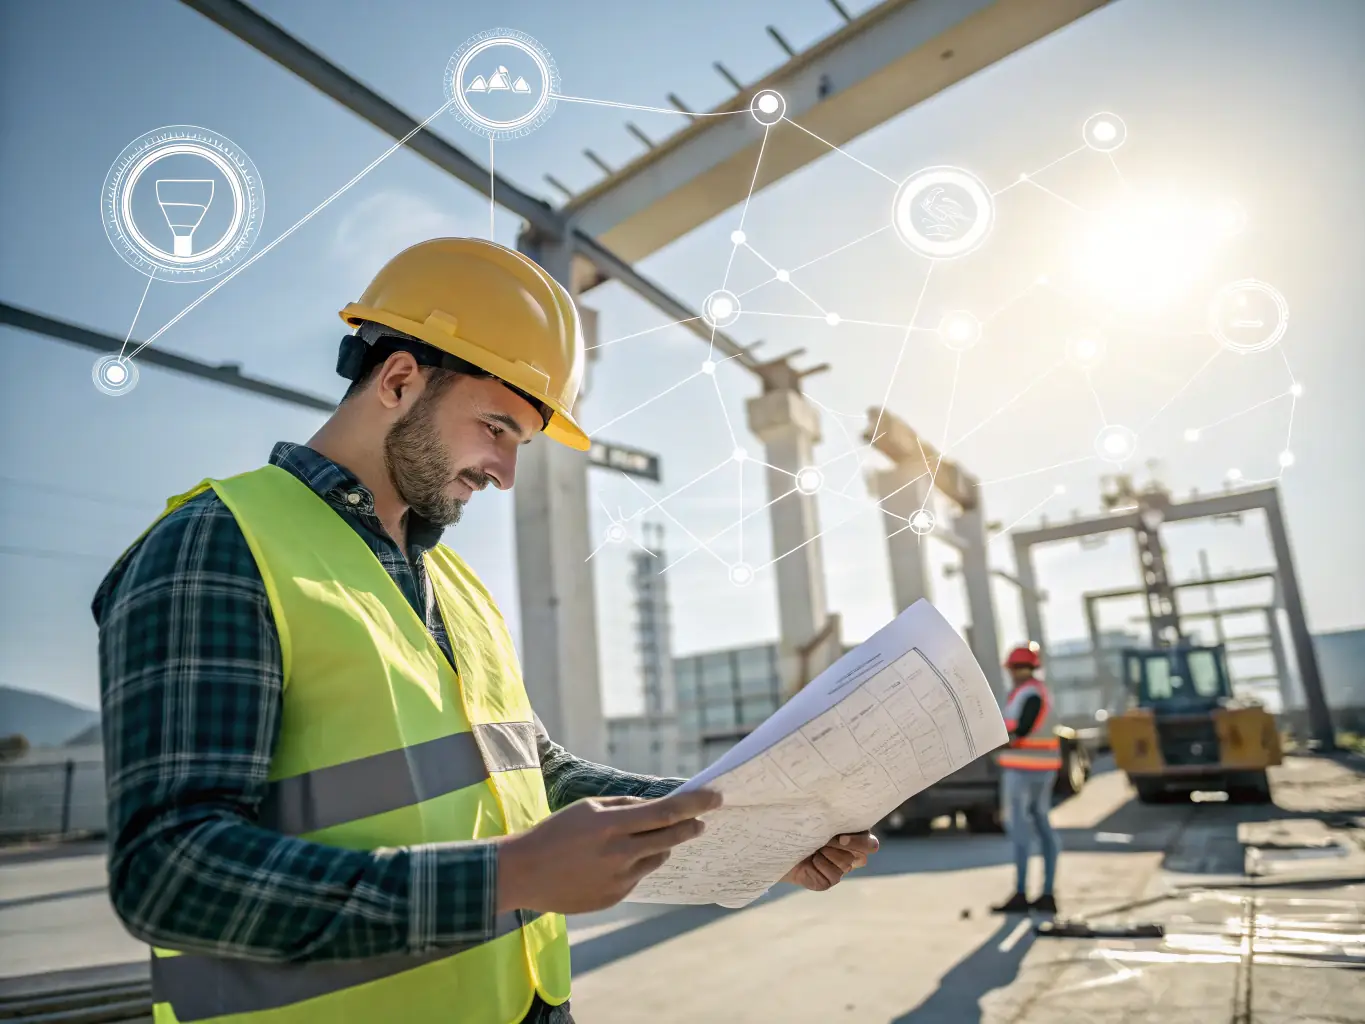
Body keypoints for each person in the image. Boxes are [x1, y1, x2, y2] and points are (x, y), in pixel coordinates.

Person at [92, 237, 878, 1024]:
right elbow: (171, 872)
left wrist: (748, 825)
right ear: (399, 381)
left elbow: (536, 777)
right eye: (496, 429)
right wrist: (509, 879)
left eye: (520, 445)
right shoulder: (220, 546)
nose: (504, 473)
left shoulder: (455, 586)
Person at [990, 644, 1061, 916]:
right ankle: (1046, 894)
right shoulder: (1034, 692)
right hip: (1042, 769)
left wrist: (994, 745)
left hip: (1024, 771)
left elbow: (1021, 730)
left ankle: (1022, 893)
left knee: (1020, 830)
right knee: (1042, 827)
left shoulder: (1028, 694)